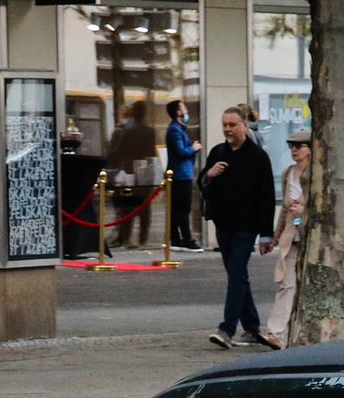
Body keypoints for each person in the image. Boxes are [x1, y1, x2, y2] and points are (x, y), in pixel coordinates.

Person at [200, 106, 277, 349]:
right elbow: (202, 182)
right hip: (223, 223)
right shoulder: (218, 152)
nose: (228, 129)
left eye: (233, 125)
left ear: (245, 126)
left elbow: (266, 196)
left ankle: (226, 329)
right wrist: (209, 175)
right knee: (238, 275)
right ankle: (252, 328)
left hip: (247, 224)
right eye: (225, 125)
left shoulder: (258, 156)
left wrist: (266, 234)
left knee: (235, 272)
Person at [262, 132, 310, 345]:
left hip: (313, 237)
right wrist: (275, 237)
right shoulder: (287, 173)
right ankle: (276, 334)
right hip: (291, 236)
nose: (294, 150)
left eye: (299, 146)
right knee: (287, 284)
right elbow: (284, 210)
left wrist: (306, 210)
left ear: (310, 148)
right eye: (291, 146)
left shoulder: (320, 174)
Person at [106, 101, 157, 249]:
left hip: (129, 172)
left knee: (128, 206)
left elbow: (119, 152)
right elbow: (152, 153)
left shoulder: (127, 130)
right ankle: (143, 239)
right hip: (146, 172)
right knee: (145, 209)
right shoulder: (150, 131)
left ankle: (127, 239)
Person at [164, 100, 199, 250]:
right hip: (181, 175)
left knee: (177, 208)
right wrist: (194, 148)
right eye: (184, 108)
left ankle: (176, 238)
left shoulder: (178, 129)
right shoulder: (175, 130)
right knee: (183, 208)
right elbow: (180, 151)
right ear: (178, 112)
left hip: (180, 174)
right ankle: (187, 239)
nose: (187, 111)